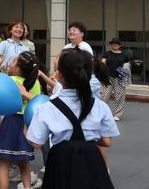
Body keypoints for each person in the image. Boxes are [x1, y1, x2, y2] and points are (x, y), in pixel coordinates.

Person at [26, 49, 119, 189]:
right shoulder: (100, 106)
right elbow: (107, 141)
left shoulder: (47, 107)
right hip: (92, 162)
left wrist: (25, 125)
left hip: (60, 163)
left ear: (59, 75)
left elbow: (35, 142)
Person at [0, 51, 41, 189]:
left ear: (18, 69)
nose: (11, 64)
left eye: (13, 62)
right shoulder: (35, 83)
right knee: (24, 163)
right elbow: (38, 103)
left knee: (4, 164)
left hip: (10, 122)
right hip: (27, 124)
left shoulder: (11, 81)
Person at [101, 38, 130, 121]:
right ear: (111, 45)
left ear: (120, 45)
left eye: (117, 43)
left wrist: (125, 79)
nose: (115, 45)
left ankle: (117, 114)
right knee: (104, 95)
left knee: (119, 96)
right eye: (113, 43)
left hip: (120, 79)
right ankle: (102, 113)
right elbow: (103, 63)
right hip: (108, 77)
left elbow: (127, 68)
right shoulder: (107, 54)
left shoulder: (124, 56)